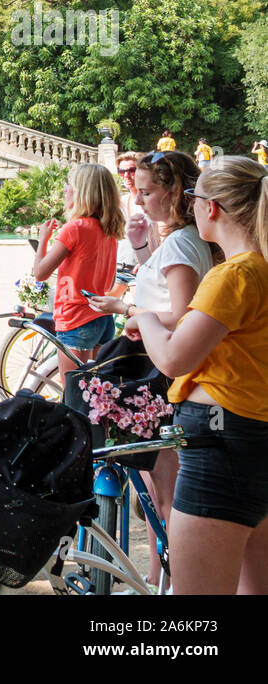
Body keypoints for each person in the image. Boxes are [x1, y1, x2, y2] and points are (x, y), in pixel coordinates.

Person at [125, 156, 268, 594]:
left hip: (221, 446)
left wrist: (141, 316)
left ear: (213, 208)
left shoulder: (236, 275)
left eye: (194, 195)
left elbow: (173, 359)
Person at [87, 150, 212, 587]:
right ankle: (162, 576)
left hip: (160, 372)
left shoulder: (181, 241)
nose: (137, 201)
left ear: (174, 191)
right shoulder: (185, 237)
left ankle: (174, 580)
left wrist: (128, 309)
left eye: (146, 192)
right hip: (164, 368)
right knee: (162, 492)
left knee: (167, 495)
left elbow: (184, 312)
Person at [32, 163, 124, 385]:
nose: (66, 190)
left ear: (83, 192)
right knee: (95, 392)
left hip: (76, 318)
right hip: (102, 318)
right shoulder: (109, 229)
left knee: (74, 396)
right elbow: (109, 280)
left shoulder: (74, 228)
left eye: (70, 185)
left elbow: (40, 273)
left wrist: (43, 239)